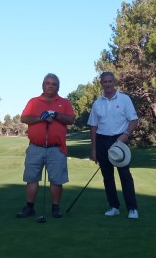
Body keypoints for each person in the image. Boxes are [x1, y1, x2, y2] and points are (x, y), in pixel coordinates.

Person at [16, 73, 76, 219]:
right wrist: (39, 118)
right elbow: (24, 118)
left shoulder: (65, 102)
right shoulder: (34, 101)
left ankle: (55, 208)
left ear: (58, 87)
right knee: (32, 178)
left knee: (56, 180)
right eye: (48, 83)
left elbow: (71, 119)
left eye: (54, 84)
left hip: (56, 148)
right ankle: (29, 207)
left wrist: (56, 115)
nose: (50, 86)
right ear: (43, 85)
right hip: (36, 147)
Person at [87, 71, 139, 219]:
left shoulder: (124, 99)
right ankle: (114, 206)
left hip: (119, 140)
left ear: (114, 82)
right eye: (105, 82)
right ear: (101, 84)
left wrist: (125, 135)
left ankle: (132, 208)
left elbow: (133, 120)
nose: (108, 84)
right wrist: (94, 149)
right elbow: (94, 127)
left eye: (110, 81)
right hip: (102, 141)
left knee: (125, 175)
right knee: (107, 177)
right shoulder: (97, 103)